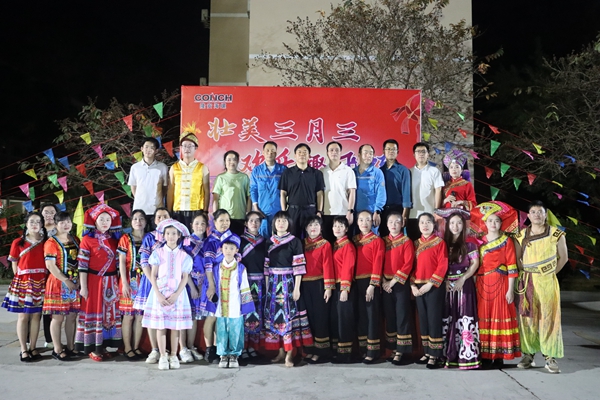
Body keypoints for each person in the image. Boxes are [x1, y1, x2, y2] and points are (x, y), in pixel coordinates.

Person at [514, 200, 568, 374]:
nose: (537, 215)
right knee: (527, 319)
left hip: (547, 282)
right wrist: (526, 274)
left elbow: (564, 257)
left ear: (546, 214)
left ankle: (549, 356)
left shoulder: (556, 234)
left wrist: (550, 273)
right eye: (533, 212)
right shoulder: (521, 235)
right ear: (528, 216)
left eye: (540, 212)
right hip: (528, 281)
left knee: (548, 318)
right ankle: (528, 354)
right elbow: (517, 259)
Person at [473, 201, 521, 367]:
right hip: (482, 284)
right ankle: (485, 355)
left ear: (501, 223)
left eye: (497, 221)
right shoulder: (479, 242)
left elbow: (512, 266)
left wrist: (510, 289)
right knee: (484, 318)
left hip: (501, 284)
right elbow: (475, 265)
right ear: (485, 223)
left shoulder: (507, 241)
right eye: (490, 221)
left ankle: (499, 355)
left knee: (499, 317)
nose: (493, 224)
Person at [263, 210, 313, 367]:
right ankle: (280, 352)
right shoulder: (269, 242)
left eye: (284, 221)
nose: (281, 223)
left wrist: (296, 288)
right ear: (274, 224)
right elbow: (266, 267)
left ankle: (290, 354)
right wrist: (267, 287)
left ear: (289, 224)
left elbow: (299, 267)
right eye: (278, 221)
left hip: (288, 283)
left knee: (289, 317)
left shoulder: (294, 241)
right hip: (273, 284)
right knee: (276, 318)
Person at [142, 219, 193, 370]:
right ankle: (163, 355)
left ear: (179, 236)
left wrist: (177, 294)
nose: (171, 236)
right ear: (163, 235)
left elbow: (185, 277)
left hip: (177, 294)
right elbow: (153, 275)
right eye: (168, 233)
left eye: (174, 233)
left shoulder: (184, 256)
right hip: (160, 292)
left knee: (175, 327)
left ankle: (174, 355)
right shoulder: (157, 253)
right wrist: (158, 294)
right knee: (161, 326)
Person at [76, 204, 123, 360]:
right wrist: (83, 287)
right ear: (94, 221)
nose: (105, 222)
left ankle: (103, 346)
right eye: (101, 219)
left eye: (108, 219)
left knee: (108, 314)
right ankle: (93, 348)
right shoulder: (87, 240)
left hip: (112, 282)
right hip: (94, 281)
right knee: (94, 313)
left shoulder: (115, 240)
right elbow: (82, 266)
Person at [2, 212, 47, 362]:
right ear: (26, 224)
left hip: (41, 282)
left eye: (38, 221)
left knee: (36, 316)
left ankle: (33, 347)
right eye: (32, 221)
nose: (35, 224)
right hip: (24, 282)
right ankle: (23, 349)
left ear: (42, 224)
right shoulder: (18, 242)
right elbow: (14, 264)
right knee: (23, 316)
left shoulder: (46, 242)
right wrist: (20, 282)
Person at [206, 233, 254, 368]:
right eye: (226, 248)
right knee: (221, 330)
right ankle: (223, 354)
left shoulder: (240, 268)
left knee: (236, 330)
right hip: (221, 306)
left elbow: (244, 287)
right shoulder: (216, 268)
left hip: (235, 305)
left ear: (236, 250)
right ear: (221, 249)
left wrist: (245, 306)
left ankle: (234, 355)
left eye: (232, 248)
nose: (228, 251)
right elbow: (213, 287)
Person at [441, 210, 480, 369]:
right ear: (447, 226)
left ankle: (467, 356)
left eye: (458, 223)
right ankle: (448, 355)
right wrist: (444, 281)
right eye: (452, 223)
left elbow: (475, 264)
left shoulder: (470, 244)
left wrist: (463, 279)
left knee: (465, 318)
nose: (455, 226)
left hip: (464, 285)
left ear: (463, 225)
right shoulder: (442, 244)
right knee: (448, 318)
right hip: (447, 286)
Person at [410, 213, 448, 369]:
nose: (425, 225)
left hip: (433, 287)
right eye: (422, 222)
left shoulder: (439, 243)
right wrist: (412, 285)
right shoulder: (415, 244)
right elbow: (411, 267)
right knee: (423, 320)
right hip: (418, 287)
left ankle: (435, 354)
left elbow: (442, 265)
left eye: (428, 222)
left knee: (434, 319)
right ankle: (426, 352)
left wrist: (431, 283)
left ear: (434, 225)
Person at [133, 207, 170, 363]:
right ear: (154, 220)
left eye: (165, 216)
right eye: (158, 217)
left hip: (169, 283)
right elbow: (144, 262)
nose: (161, 219)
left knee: (167, 314)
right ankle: (154, 349)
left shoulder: (174, 235)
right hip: (151, 283)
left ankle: (166, 349)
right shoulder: (149, 237)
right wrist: (154, 283)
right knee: (151, 316)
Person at [42, 211, 81, 361]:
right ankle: (57, 349)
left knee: (72, 316)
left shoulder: (75, 239)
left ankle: (71, 346)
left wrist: (78, 280)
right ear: (56, 224)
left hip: (74, 283)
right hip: (58, 283)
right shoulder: (51, 242)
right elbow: (50, 266)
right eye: (62, 222)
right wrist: (66, 280)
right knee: (57, 317)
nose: (66, 225)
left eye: (68, 221)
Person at [381, 210, 415, 366]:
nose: (394, 225)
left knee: (402, 316)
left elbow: (408, 264)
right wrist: (383, 281)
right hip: (385, 284)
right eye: (391, 222)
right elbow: (378, 262)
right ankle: (393, 348)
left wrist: (392, 282)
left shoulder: (407, 241)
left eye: (397, 222)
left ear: (402, 224)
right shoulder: (383, 241)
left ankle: (402, 350)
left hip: (400, 284)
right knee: (390, 316)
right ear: (386, 225)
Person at [202, 209, 235, 363]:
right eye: (221, 220)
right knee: (212, 316)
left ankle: (220, 348)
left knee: (222, 317)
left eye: (227, 220)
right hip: (214, 282)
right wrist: (211, 285)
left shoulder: (233, 238)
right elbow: (208, 265)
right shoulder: (211, 241)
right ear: (214, 222)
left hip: (228, 282)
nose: (224, 223)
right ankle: (209, 349)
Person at [301, 215, 335, 363]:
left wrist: (328, 287)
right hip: (304, 285)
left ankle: (321, 351)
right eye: (310, 225)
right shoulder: (301, 244)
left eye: (316, 225)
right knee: (307, 318)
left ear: (321, 228)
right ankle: (310, 349)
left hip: (319, 284)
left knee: (320, 317)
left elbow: (328, 265)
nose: (313, 228)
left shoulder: (325, 244)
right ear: (306, 228)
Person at [353, 210, 384, 363]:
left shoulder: (377, 241)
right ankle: (362, 349)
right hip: (356, 283)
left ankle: (372, 351)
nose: (364, 223)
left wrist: (373, 284)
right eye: (361, 220)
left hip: (370, 282)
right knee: (361, 316)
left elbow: (378, 263)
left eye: (367, 220)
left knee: (372, 316)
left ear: (372, 222)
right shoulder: (354, 240)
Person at [117, 209, 147, 360]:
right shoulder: (125, 238)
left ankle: (136, 347)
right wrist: (124, 283)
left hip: (145, 280)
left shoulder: (149, 238)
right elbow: (122, 262)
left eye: (141, 219)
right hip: (130, 279)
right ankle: (127, 347)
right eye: (135, 219)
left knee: (140, 316)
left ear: (145, 221)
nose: (138, 221)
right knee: (128, 316)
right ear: (131, 222)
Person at [179, 211, 209, 363]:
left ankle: (191, 346)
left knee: (195, 317)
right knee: (184, 316)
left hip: (203, 284)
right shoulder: (186, 242)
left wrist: (203, 285)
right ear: (191, 225)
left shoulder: (209, 242)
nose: (199, 226)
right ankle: (182, 348)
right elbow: (183, 266)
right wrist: (192, 285)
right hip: (187, 284)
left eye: (203, 223)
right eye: (197, 223)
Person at [279, 143, 325, 239]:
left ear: (309, 156)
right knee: (292, 238)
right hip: (292, 211)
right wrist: (284, 211)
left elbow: (320, 194)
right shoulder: (287, 173)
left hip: (310, 211)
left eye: (305, 152)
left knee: (311, 238)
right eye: (299, 152)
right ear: (295, 155)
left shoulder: (317, 173)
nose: (302, 154)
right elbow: (283, 193)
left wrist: (319, 211)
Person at [167, 130, 210, 227]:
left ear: (196, 148)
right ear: (181, 148)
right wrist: (169, 211)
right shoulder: (174, 168)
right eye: (184, 146)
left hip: (196, 210)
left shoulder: (202, 168)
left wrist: (205, 211)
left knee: (197, 235)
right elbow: (171, 190)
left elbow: (206, 191)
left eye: (190, 146)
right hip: (178, 210)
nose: (187, 149)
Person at [240, 211, 267, 362]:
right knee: (245, 312)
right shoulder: (240, 241)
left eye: (257, 221)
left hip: (260, 283)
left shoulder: (265, 241)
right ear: (246, 223)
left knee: (257, 313)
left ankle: (253, 347)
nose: (254, 223)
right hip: (245, 283)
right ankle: (243, 347)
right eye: (251, 220)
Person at [330, 216, 356, 363]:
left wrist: (345, 289)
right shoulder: (336, 244)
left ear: (346, 229)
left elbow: (348, 268)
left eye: (341, 226)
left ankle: (346, 353)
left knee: (344, 320)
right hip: (336, 285)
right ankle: (338, 350)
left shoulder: (348, 246)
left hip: (344, 286)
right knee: (337, 319)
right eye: (335, 226)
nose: (337, 229)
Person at [128, 137, 169, 229]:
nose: (148, 150)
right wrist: (140, 199)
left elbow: (165, 187)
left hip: (157, 210)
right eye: (146, 147)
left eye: (152, 147)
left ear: (156, 150)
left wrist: (158, 199)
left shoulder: (163, 167)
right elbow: (133, 187)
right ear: (142, 149)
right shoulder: (135, 167)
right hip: (139, 209)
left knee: (158, 234)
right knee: (140, 235)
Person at [407, 142, 444, 240]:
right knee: (413, 242)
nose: (421, 154)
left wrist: (436, 211)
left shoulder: (434, 171)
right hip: (412, 214)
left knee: (429, 242)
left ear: (428, 154)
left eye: (423, 151)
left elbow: (438, 191)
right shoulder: (408, 172)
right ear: (414, 154)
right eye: (418, 151)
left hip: (429, 214)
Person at [321, 141, 356, 243]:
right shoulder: (322, 171)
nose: (334, 152)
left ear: (341, 152)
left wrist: (350, 211)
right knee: (327, 243)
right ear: (327, 153)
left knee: (343, 243)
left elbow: (352, 192)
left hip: (343, 213)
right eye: (331, 150)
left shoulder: (348, 171)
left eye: (337, 150)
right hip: (326, 214)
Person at [250, 141, 286, 238]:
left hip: (278, 211)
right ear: (263, 152)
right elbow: (253, 190)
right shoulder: (257, 171)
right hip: (262, 211)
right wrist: (256, 208)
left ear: (276, 153)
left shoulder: (283, 170)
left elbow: (287, 190)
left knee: (280, 239)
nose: (270, 153)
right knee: (263, 239)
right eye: (267, 150)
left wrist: (284, 211)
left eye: (273, 151)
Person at [212, 150, 251, 235]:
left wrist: (248, 214)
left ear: (238, 161)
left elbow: (249, 197)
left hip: (240, 217)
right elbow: (215, 199)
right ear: (225, 162)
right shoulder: (220, 178)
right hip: (224, 218)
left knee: (239, 241)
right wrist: (216, 216)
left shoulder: (244, 178)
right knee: (224, 241)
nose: (232, 162)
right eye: (229, 159)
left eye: (234, 159)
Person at [380, 139, 411, 237]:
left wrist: (405, 214)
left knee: (397, 238)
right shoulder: (380, 171)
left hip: (397, 209)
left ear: (397, 152)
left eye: (393, 149)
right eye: (388, 149)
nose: (391, 151)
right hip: (382, 210)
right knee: (384, 237)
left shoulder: (403, 170)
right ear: (383, 151)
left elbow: (406, 193)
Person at [353, 144, 386, 235]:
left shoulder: (377, 172)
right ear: (359, 155)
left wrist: (377, 211)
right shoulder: (352, 172)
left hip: (371, 214)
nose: (368, 155)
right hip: (355, 214)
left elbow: (381, 193)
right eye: (366, 153)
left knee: (371, 240)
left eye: (371, 153)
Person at [40, 203, 59, 347]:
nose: (49, 215)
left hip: (55, 273)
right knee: (33, 309)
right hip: (38, 273)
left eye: (52, 212)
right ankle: (28, 340)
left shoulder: (61, 231)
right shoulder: (36, 231)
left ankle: (49, 339)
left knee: (50, 308)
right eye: (46, 212)